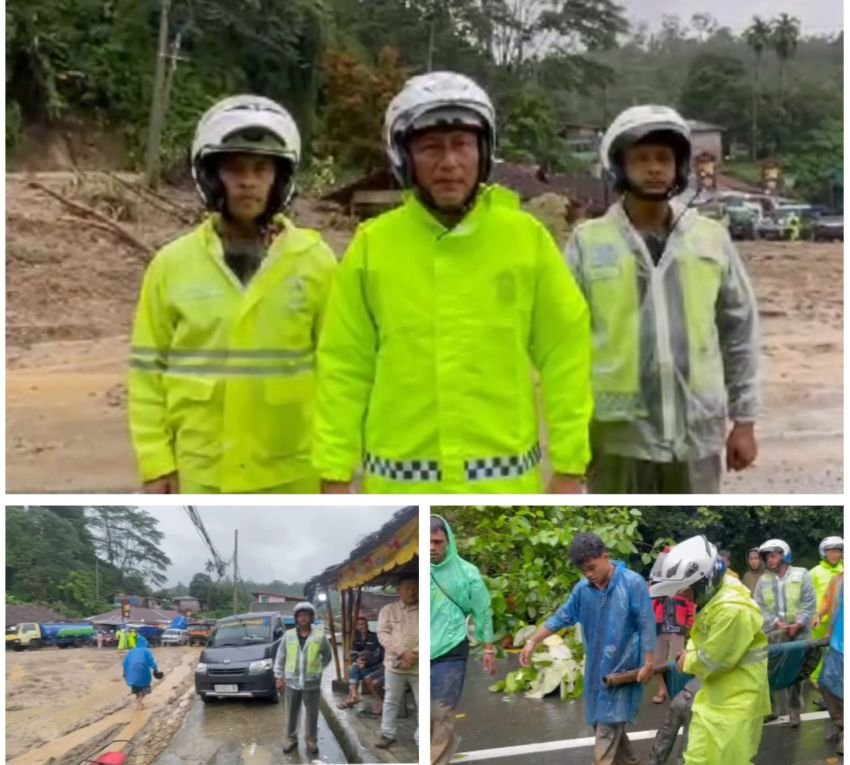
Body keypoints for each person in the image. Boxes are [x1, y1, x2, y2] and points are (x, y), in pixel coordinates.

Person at [314, 71, 592, 494]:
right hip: (398, 492)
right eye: (430, 148)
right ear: (404, 156)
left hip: (504, 492)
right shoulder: (373, 246)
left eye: (461, 145)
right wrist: (334, 473)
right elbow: (344, 366)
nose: (449, 163)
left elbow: (565, 353)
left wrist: (570, 467)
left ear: (483, 152)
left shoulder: (525, 239)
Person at [129, 94, 336, 494]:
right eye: (235, 168)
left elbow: (337, 373)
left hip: (293, 476)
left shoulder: (316, 262)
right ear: (210, 175)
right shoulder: (171, 265)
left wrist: (335, 472)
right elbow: (146, 373)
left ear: (280, 178)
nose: (248, 181)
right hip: (203, 474)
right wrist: (155, 463)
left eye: (261, 168)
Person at [565, 104, 759, 494]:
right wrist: (569, 441)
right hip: (615, 437)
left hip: (697, 434)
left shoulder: (710, 239)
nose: (654, 168)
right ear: (619, 166)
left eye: (663, 158)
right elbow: (564, 344)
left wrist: (745, 421)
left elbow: (739, 330)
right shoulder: (588, 242)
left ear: (679, 167)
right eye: (641, 158)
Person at [520, 533, 655, 765]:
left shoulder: (632, 583)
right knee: (605, 726)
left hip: (623, 669)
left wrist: (649, 661)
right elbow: (562, 617)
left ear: (606, 556)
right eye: (584, 571)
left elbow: (646, 623)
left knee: (607, 729)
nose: (589, 574)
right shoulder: (583, 590)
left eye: (592, 568)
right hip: (595, 671)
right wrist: (533, 640)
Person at [649, 536, 769, 764]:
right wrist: (690, 653)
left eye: (685, 592)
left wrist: (688, 661)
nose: (684, 598)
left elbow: (714, 660)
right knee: (696, 758)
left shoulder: (733, 610)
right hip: (712, 697)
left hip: (737, 705)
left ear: (705, 581)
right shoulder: (715, 597)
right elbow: (700, 635)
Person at [430, 515, 496, 765]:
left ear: (448, 542)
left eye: (437, 542)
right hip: (422, 649)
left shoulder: (467, 573)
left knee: (441, 712)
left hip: (452, 649)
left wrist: (488, 647)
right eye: (427, 542)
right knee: (426, 714)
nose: (432, 547)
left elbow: (483, 609)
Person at [753, 538, 816, 726]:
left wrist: (798, 624)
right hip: (773, 633)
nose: (770, 560)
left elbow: (809, 603)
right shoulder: (763, 580)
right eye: (767, 557)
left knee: (795, 675)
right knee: (767, 671)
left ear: (784, 553)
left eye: (773, 555)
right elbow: (759, 606)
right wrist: (776, 623)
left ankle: (795, 712)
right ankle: (770, 709)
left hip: (799, 633)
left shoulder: (801, 574)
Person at [273, 601, 332, 755]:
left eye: (306, 615)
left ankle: (311, 741)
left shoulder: (319, 636)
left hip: (311, 683)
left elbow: (327, 656)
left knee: (312, 714)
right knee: (291, 713)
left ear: (311, 617)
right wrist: (279, 677)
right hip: (292, 682)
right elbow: (280, 657)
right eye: (300, 615)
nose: (303, 618)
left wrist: (318, 669)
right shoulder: (289, 635)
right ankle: (291, 739)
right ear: (296, 618)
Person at [376, 574, 419, 749]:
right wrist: (402, 652)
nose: (412, 591)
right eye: (407, 587)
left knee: (423, 703)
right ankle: (387, 734)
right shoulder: (388, 610)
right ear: (398, 590)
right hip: (394, 665)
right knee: (391, 700)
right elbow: (382, 634)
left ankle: (421, 739)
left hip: (419, 666)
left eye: (415, 587)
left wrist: (413, 654)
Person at [651, 587, 695, 704]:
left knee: (677, 661)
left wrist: (688, 626)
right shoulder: (660, 588)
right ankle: (662, 690)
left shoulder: (684, 588)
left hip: (678, 630)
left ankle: (680, 690)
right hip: (660, 629)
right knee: (658, 662)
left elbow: (690, 608)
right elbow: (653, 608)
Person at [809, 536, 843, 687]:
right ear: (824, 552)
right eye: (831, 551)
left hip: (839, 623)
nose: (835, 554)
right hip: (820, 622)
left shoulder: (843, 572)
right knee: (819, 652)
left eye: (838, 551)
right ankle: (817, 682)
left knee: (837, 652)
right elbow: (823, 598)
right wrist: (816, 614)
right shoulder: (815, 572)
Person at [818, 572, 843, 755]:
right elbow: (836, 609)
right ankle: (840, 724)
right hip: (837, 643)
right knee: (826, 685)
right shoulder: (840, 579)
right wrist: (830, 631)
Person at [338, 616, 384, 709]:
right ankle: (354, 696)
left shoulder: (375, 637)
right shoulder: (355, 639)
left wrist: (365, 663)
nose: (364, 626)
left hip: (376, 667)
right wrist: (358, 660)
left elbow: (378, 655)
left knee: (353, 671)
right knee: (353, 669)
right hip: (364, 667)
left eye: (366, 624)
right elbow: (352, 653)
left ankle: (350, 698)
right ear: (356, 626)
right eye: (361, 624)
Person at [122, 634, 159, 710]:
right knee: (145, 687)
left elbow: (125, 662)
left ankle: (138, 701)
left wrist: (124, 672)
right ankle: (139, 700)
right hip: (142, 672)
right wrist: (156, 668)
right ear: (145, 643)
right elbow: (151, 661)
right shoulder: (146, 651)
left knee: (136, 687)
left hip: (131, 672)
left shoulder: (131, 651)